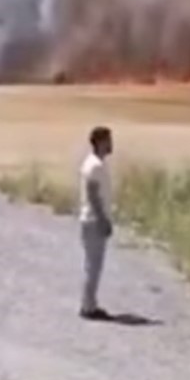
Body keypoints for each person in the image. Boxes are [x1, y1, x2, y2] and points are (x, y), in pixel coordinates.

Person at [78, 126, 115, 321]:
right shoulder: (95, 166)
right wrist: (102, 219)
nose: (111, 144)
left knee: (92, 265)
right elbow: (93, 193)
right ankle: (88, 307)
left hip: (90, 219)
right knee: (93, 266)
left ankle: (88, 303)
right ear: (100, 142)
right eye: (108, 140)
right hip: (93, 220)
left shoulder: (93, 163)